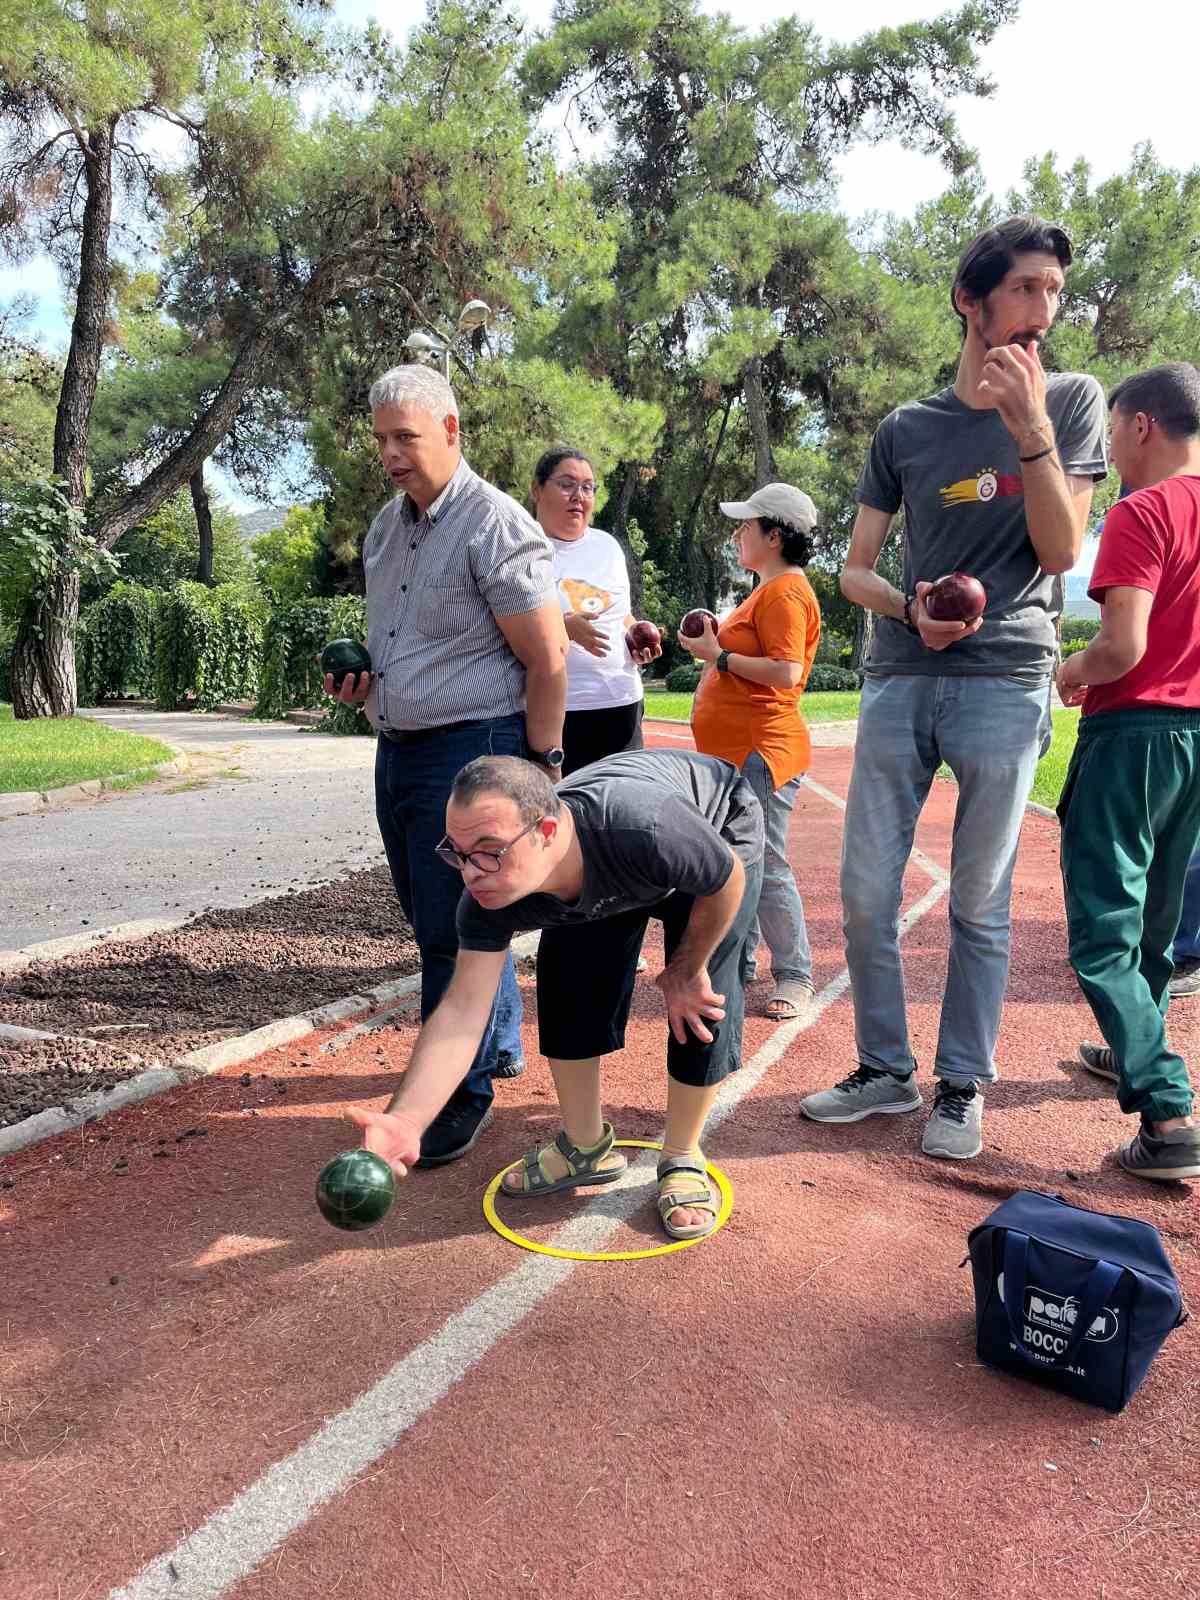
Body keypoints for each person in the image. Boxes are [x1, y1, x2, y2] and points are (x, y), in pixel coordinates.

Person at [800, 214, 1108, 1160]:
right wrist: (906, 607)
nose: (1042, 311)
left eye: (1054, 291)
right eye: (1023, 289)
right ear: (969, 302)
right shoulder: (907, 428)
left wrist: (1029, 431)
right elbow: (852, 569)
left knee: (980, 895)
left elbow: (1060, 553)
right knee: (862, 890)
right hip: (903, 671)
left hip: (1007, 673)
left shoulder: (1073, 402)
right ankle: (885, 1068)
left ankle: (962, 1081)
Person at [346, 751, 764, 1240]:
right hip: (600, 870)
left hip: (715, 834)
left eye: (488, 850)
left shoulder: (643, 827)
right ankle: (586, 1145)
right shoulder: (489, 896)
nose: (470, 873)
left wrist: (687, 968)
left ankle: (681, 1154)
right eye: (457, 853)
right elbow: (461, 1013)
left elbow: (725, 877)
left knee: (700, 999)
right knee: (569, 980)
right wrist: (406, 1121)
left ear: (545, 833)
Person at [327, 365, 568, 1168]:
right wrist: (359, 686)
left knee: (448, 929)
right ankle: (492, 1047)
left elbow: (548, 659)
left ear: (452, 431)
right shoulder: (385, 530)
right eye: (382, 439)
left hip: (474, 751)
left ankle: (460, 1096)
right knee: (437, 916)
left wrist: (541, 766)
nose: (391, 453)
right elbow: (399, 646)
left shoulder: (494, 523)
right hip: (397, 750)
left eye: (407, 436)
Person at [1057, 362, 1200, 1181]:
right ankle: (1133, 1046)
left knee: (1105, 932)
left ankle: (1168, 1109)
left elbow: (1122, 648)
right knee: (1155, 917)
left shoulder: (1144, 510)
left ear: (1143, 425)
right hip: (1197, 740)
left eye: (1113, 429)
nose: (1110, 445)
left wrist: (1070, 669)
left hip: (1135, 736)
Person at [680, 483, 822, 1021]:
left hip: (761, 752)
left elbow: (787, 674)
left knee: (767, 862)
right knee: (745, 859)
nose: (738, 533)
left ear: (775, 534)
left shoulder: (785, 591)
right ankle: (741, 960)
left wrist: (719, 658)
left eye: (746, 525)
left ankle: (795, 974)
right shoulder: (769, 590)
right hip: (741, 754)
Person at [530, 445, 662, 776]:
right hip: (559, 714)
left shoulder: (608, 547)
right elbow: (499, 629)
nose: (579, 496)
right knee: (564, 816)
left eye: (588, 487)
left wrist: (638, 639)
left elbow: (623, 616)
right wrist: (562, 627)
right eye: (566, 484)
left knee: (620, 811)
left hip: (622, 704)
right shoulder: (522, 549)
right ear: (537, 489)